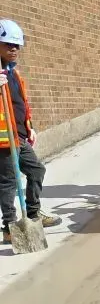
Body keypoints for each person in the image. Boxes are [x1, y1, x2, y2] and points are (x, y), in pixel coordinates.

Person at [0, 19, 62, 244]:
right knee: (8, 182)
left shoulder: (13, 73)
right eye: (8, 44)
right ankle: (9, 225)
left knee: (37, 171)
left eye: (17, 45)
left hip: (20, 136)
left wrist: (30, 127)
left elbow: (20, 104)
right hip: (3, 140)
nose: (14, 49)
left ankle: (33, 214)